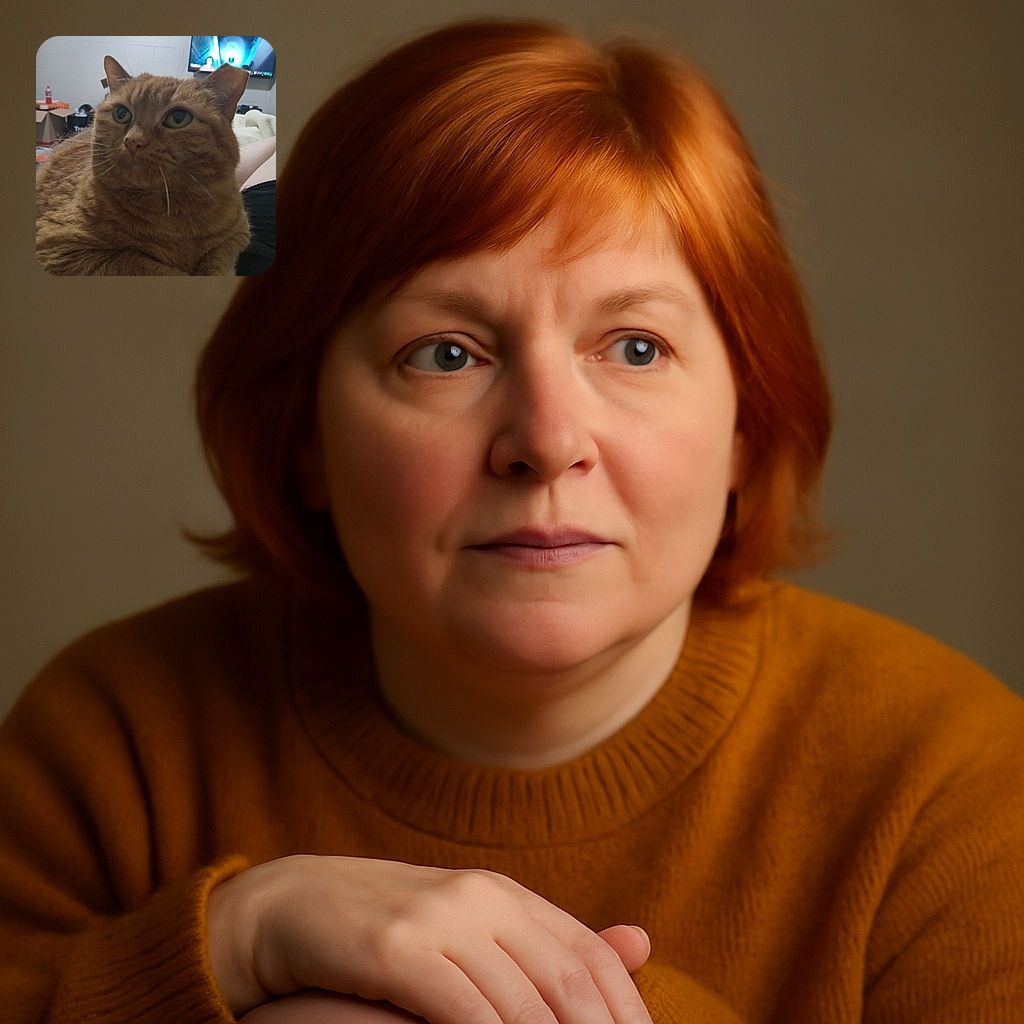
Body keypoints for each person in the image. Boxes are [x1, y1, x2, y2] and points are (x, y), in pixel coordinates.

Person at [2, 17, 1022, 1024]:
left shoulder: (954, 788)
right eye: (445, 353)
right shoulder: (109, 746)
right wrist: (235, 941)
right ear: (303, 431)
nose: (544, 439)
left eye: (631, 348)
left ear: (746, 427)